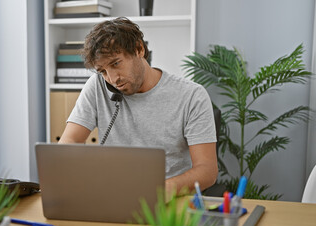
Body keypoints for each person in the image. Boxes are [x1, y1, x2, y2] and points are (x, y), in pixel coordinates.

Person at [59, 17, 217, 196]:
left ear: (139, 49)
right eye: (102, 71)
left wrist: (157, 192)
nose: (112, 79)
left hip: (169, 202)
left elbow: (207, 171)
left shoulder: (192, 96)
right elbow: (69, 143)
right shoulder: (97, 87)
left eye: (115, 63)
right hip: (112, 196)